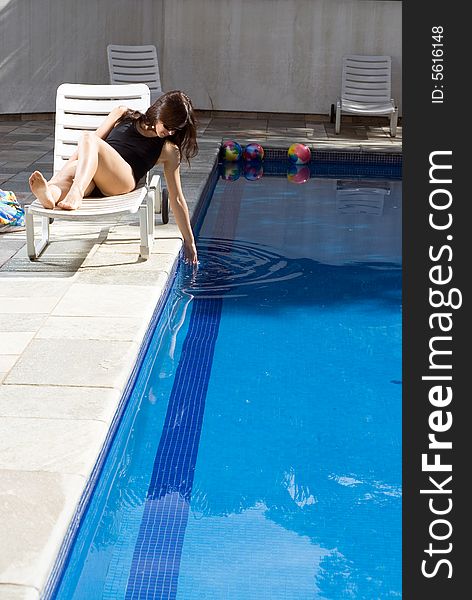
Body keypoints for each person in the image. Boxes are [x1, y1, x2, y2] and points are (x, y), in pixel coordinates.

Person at [28, 90, 199, 264]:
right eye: (168, 126)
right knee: (71, 172)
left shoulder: (169, 149)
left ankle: (76, 192)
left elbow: (176, 198)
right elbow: (85, 150)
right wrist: (60, 175)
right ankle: (50, 194)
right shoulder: (122, 113)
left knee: (89, 138)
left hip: (122, 180)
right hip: (94, 175)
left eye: (175, 129)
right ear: (159, 112)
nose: (170, 132)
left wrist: (190, 241)